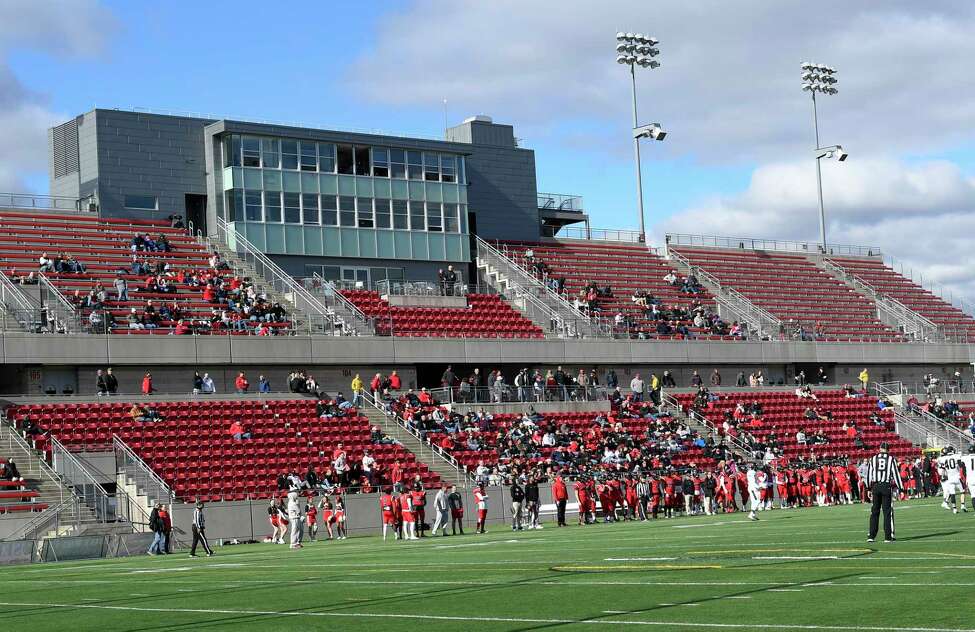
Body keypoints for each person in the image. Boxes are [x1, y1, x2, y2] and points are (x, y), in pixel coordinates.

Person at [866, 443, 902, 543]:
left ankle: (871, 535)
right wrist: (901, 489)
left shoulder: (873, 459)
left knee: (874, 511)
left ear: (880, 449)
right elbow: (896, 474)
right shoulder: (891, 459)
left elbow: (869, 474)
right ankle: (888, 536)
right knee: (887, 512)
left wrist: (868, 488)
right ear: (888, 450)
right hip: (886, 486)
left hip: (876, 486)